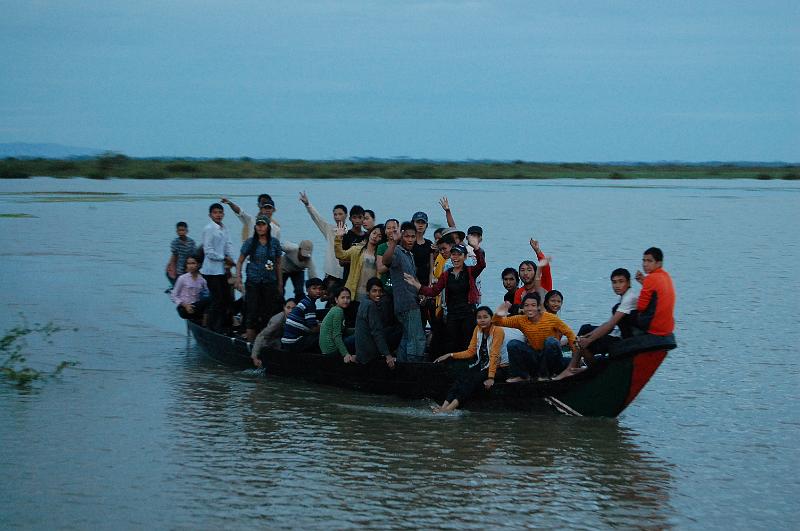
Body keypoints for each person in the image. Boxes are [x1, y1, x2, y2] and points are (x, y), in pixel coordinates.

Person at [405, 238, 486, 353]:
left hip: (468, 313)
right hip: (453, 314)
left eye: (459, 255)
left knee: (468, 342)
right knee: (451, 342)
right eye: (453, 254)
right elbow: (434, 291)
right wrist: (417, 285)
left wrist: (476, 247)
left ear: (465, 257)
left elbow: (482, 264)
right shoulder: (446, 275)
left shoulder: (470, 271)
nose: (455, 257)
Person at [557, 268, 638, 379]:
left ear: (628, 282)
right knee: (585, 329)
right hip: (618, 333)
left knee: (584, 343)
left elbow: (610, 325)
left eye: (621, 281)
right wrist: (586, 336)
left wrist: (589, 339)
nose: (617, 285)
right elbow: (609, 325)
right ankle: (581, 367)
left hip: (624, 340)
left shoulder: (629, 298)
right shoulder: (625, 296)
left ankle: (580, 369)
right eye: (614, 282)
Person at [431, 306, 504, 413]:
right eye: (479, 317)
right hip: (483, 364)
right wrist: (450, 355)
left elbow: (494, 355)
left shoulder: (498, 331)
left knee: (472, 381)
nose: (482, 320)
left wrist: (491, 377)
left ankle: (449, 409)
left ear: (491, 318)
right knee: (462, 377)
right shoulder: (478, 329)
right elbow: (471, 351)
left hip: (499, 366)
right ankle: (444, 406)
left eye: (485, 317)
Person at [492, 293, 577, 382]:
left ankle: (545, 375)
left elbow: (570, 333)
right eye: (526, 305)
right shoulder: (520, 319)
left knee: (551, 341)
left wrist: (575, 355)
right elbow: (498, 323)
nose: (530, 308)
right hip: (536, 356)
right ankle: (522, 375)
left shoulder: (551, 318)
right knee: (513, 344)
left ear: (538, 307)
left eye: (533, 305)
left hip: (552, 357)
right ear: (523, 308)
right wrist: (498, 314)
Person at [382, 221, 426, 362]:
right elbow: (385, 261)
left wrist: (421, 293)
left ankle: (401, 364)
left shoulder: (410, 255)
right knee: (417, 338)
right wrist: (394, 243)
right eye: (407, 236)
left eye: (413, 236)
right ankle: (413, 368)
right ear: (401, 237)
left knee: (407, 337)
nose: (410, 239)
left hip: (410, 302)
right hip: (406, 304)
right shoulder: (397, 252)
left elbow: (413, 279)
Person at [235, 215, 284, 342]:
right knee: (252, 312)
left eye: (263, 225)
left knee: (269, 312)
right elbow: (240, 261)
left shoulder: (274, 243)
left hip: (269, 282)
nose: (260, 227)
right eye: (258, 225)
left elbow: (278, 264)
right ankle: (251, 343)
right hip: (253, 282)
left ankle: (266, 342)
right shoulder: (250, 242)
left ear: (268, 227)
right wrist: (238, 278)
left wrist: (280, 284)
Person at [200, 202, 235, 333]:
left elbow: (228, 245)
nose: (218, 215)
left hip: (221, 270)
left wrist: (234, 260)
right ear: (210, 215)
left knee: (226, 298)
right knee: (217, 299)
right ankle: (212, 327)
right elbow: (208, 251)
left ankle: (225, 325)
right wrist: (224, 258)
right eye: (215, 212)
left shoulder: (224, 228)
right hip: (210, 270)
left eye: (220, 212)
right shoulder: (209, 229)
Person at [299, 191, 347, 281]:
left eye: (340, 214)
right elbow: (317, 218)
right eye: (335, 214)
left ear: (346, 215)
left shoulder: (350, 233)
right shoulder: (329, 229)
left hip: (345, 272)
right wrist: (307, 204)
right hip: (330, 272)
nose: (337, 217)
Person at [335, 223, 382, 303]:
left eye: (379, 236)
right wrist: (338, 237)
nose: (375, 237)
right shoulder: (357, 250)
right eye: (374, 233)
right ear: (370, 233)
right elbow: (340, 255)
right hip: (353, 293)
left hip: (371, 296)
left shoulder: (380, 255)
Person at [354, 278, 396, 368]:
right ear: (368, 292)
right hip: (369, 355)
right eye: (374, 291)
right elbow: (376, 332)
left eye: (380, 291)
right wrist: (387, 355)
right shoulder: (371, 305)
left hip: (361, 352)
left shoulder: (363, 302)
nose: (377, 294)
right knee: (397, 330)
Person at [634, 247, 676, 337]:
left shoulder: (651, 278)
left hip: (655, 327)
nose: (645, 264)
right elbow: (656, 294)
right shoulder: (665, 276)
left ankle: (625, 341)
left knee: (623, 311)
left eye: (649, 261)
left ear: (659, 263)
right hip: (667, 327)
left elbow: (641, 307)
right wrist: (644, 283)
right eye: (644, 260)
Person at [281, 277, 324, 352]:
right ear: (307, 290)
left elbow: (310, 322)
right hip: (294, 342)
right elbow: (313, 328)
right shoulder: (309, 304)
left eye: (320, 289)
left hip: (286, 342)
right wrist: (327, 326)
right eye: (314, 288)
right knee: (325, 335)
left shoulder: (304, 301)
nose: (318, 291)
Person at [251, 299, 297, 367]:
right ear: (284, 308)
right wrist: (255, 357)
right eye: (288, 308)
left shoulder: (297, 316)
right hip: (271, 341)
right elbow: (261, 336)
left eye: (293, 308)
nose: (290, 311)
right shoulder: (278, 321)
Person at [319, 285, 355, 359]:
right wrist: (345, 354)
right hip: (332, 350)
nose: (346, 300)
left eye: (348, 298)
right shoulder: (338, 311)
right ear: (336, 299)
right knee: (358, 338)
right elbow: (337, 336)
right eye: (342, 297)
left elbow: (343, 330)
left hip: (328, 349)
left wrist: (357, 330)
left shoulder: (335, 309)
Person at [170, 255, 208, 323]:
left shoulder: (202, 280)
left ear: (198, 265)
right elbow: (174, 295)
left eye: (193, 263)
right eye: (188, 263)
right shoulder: (182, 278)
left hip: (195, 307)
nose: (190, 266)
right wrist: (185, 305)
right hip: (184, 308)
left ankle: (205, 321)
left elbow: (206, 293)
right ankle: (204, 323)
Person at [340, 204, 367, 280]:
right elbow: (341, 262)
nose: (357, 220)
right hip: (349, 277)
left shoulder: (367, 236)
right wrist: (357, 260)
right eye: (354, 217)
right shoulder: (346, 236)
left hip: (363, 276)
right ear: (350, 219)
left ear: (363, 218)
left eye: (360, 217)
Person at [166, 221, 196, 287]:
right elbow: (174, 256)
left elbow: (194, 255)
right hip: (179, 267)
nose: (181, 232)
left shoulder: (191, 242)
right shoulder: (175, 242)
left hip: (189, 265)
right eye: (179, 230)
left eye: (183, 230)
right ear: (177, 231)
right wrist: (172, 269)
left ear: (187, 231)